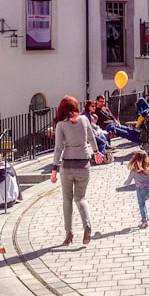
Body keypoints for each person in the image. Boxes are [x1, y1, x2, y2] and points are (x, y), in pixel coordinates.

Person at [50, 95, 104, 245]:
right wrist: (97, 152)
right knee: (81, 198)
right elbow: (92, 138)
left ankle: (69, 234)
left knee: (67, 199)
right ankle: (87, 226)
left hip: (67, 166)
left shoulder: (61, 125)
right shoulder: (85, 120)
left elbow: (58, 148)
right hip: (83, 165)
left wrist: (54, 170)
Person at [123, 149, 149, 229]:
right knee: (144, 204)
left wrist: (125, 183)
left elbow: (129, 180)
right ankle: (146, 217)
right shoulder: (148, 169)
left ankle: (144, 220)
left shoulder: (134, 170)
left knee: (141, 205)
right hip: (148, 190)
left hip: (140, 190)